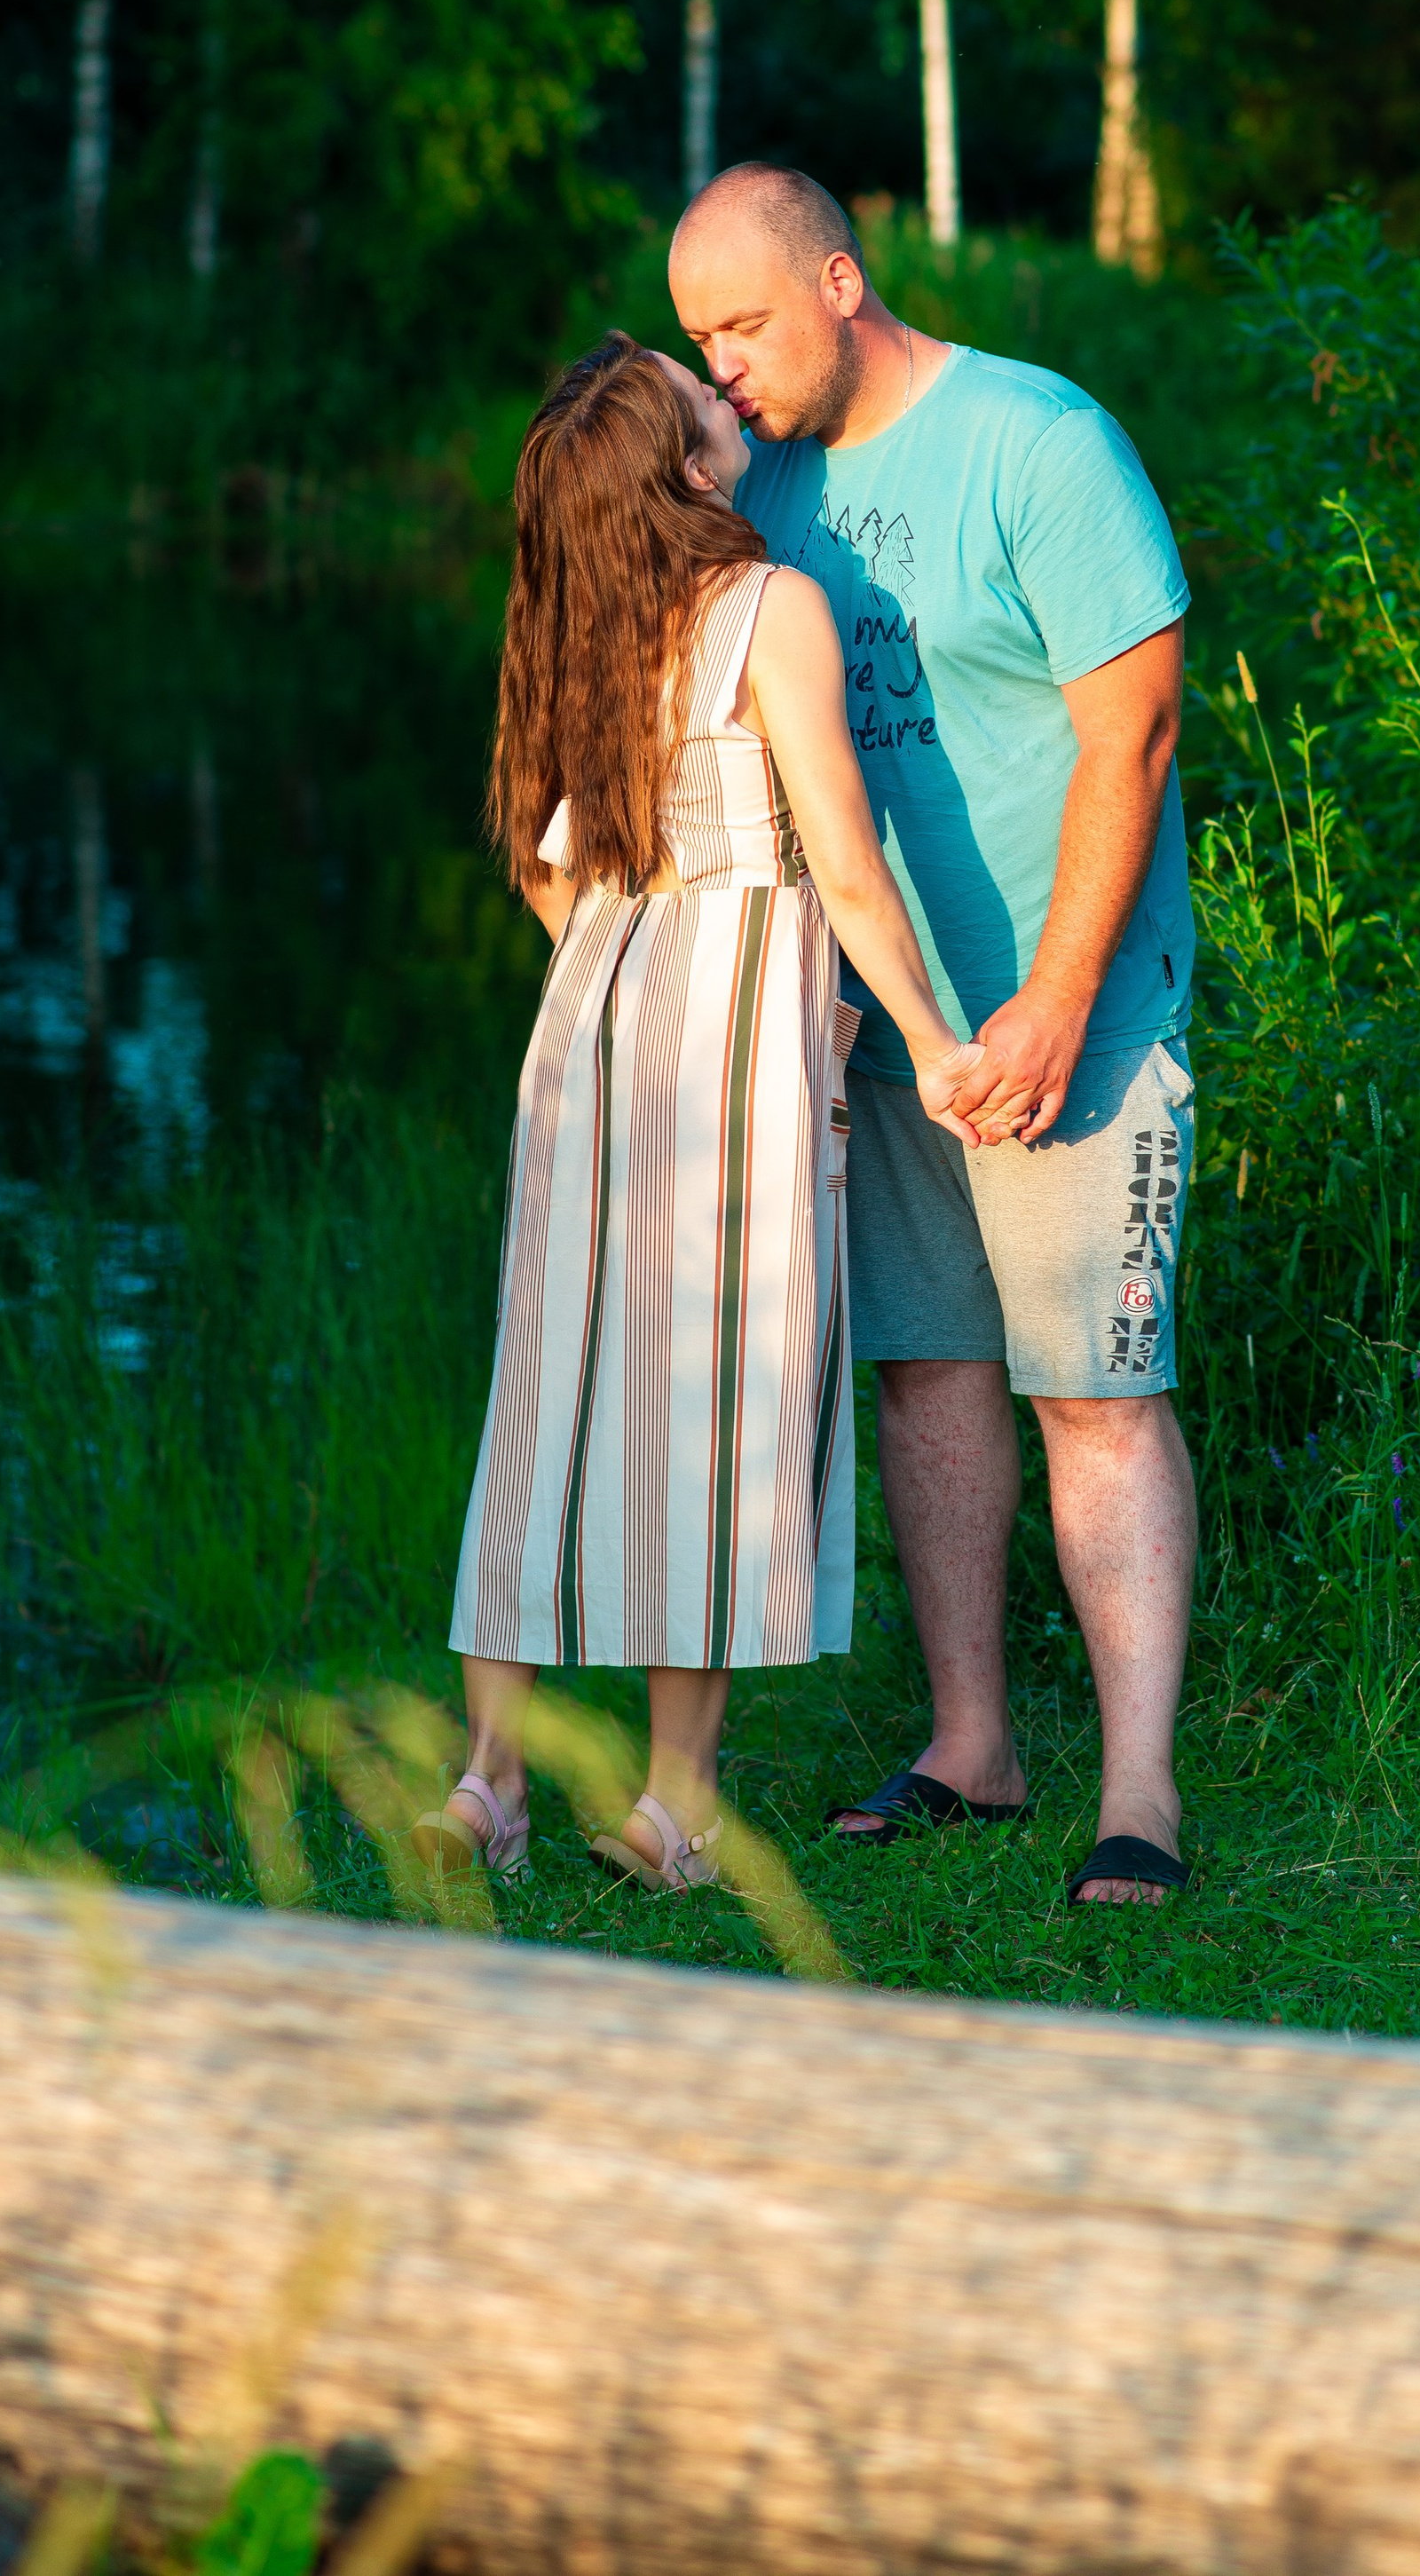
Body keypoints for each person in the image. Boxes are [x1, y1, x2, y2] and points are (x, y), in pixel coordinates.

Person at [668, 163, 1195, 1909]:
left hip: (1075, 1020)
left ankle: (1139, 1798)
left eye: (738, 325)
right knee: (927, 1373)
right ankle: (971, 1743)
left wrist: (1050, 1001)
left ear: (836, 280)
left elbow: (1129, 732)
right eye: (696, 340)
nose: (720, 366)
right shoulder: (765, 491)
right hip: (891, 1045)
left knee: (1095, 1393)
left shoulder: (1037, 441)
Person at [412, 336, 987, 1892]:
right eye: (700, 403)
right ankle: (674, 1806)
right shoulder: (768, 608)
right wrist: (929, 1041)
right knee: (717, 1400)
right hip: (739, 1028)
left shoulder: (584, 621)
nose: (726, 407)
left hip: (592, 1018)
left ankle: (491, 1780)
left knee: (555, 1383)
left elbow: (541, 863)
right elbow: (846, 861)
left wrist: (626, 960)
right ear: (683, 472)